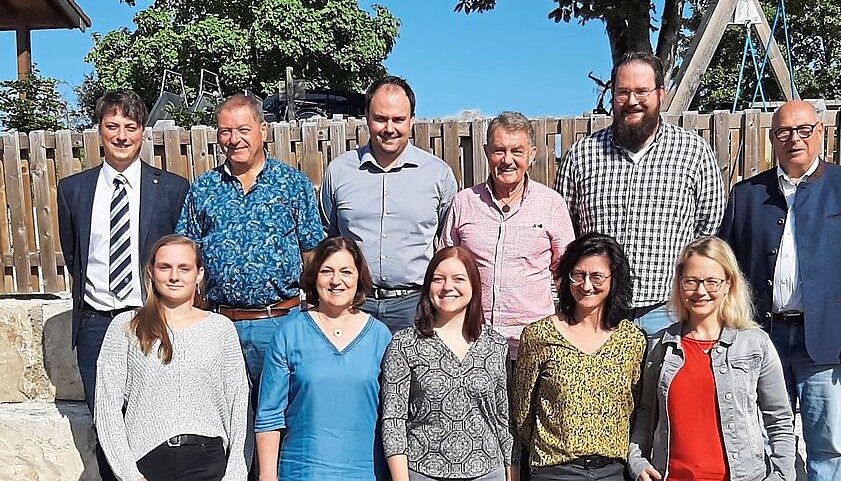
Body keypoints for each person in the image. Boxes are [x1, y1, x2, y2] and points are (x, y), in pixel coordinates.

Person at [718, 100, 841, 481]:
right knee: (761, 442)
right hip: (762, 339)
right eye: (783, 131)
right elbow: (725, 269)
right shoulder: (746, 195)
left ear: (821, 132)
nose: (793, 139)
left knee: (827, 447)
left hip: (829, 339)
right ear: (772, 139)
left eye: (803, 130)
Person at [57, 90, 189, 480]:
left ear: (143, 132)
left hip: (150, 319)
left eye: (130, 127)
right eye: (112, 126)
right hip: (97, 325)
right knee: (108, 427)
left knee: (158, 422)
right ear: (98, 131)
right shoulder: (72, 190)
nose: (121, 135)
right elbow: (73, 254)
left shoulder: (171, 189)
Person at [555, 52, 724, 334]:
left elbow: (708, 232)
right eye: (623, 93)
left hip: (668, 311)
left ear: (661, 94)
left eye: (642, 91)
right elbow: (565, 232)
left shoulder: (693, 153)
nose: (632, 102)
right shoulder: (583, 155)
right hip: (598, 312)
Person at [177, 93, 325, 409]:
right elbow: (185, 255)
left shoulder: (292, 184)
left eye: (243, 129)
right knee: (226, 418)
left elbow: (312, 254)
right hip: (221, 325)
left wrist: (315, 318)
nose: (234, 139)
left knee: (282, 419)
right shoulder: (203, 189)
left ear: (263, 130)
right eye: (225, 131)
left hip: (281, 323)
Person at [628, 236, 795, 481]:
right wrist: (637, 460)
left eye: (712, 282)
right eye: (691, 282)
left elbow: (779, 418)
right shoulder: (660, 346)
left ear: (729, 283)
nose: (701, 291)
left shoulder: (755, 344)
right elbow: (645, 413)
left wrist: (781, 475)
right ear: (679, 283)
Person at [95, 235, 250, 481]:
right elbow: (107, 409)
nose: (174, 276)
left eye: (184, 268)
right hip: (148, 459)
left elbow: (238, 404)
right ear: (152, 272)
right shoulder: (126, 327)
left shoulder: (221, 329)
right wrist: (129, 475)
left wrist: (236, 472)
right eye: (165, 267)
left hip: (208, 461)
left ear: (199, 274)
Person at [321, 75, 458, 333]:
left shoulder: (438, 175)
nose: (389, 128)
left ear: (412, 120)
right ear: (367, 117)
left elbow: (447, 240)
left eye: (398, 119)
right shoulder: (339, 172)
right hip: (353, 304)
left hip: (414, 305)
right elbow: (329, 237)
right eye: (381, 119)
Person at [440, 111, 575, 360]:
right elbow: (444, 267)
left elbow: (565, 272)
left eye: (517, 151)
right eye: (499, 150)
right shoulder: (464, 203)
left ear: (532, 154)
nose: (507, 160)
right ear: (486, 152)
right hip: (473, 341)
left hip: (533, 343)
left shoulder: (551, 205)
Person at [256, 236, 393, 480]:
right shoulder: (289, 333)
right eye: (327, 271)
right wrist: (267, 476)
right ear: (314, 277)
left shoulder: (381, 337)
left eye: (346, 272)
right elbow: (269, 415)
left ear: (358, 277)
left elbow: (393, 417)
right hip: (302, 472)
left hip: (366, 473)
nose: (336, 281)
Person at [512, 233, 646, 481]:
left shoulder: (632, 339)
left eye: (596, 276)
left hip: (612, 472)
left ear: (614, 279)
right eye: (578, 275)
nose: (586, 286)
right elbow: (523, 414)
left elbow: (635, 405)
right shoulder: (539, 335)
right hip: (555, 471)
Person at [382, 246, 514, 481]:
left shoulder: (495, 344)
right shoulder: (405, 344)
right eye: (438, 279)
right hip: (423, 470)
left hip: (487, 471)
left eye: (458, 279)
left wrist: (510, 474)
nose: (447, 287)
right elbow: (393, 420)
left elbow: (504, 419)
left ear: (473, 285)